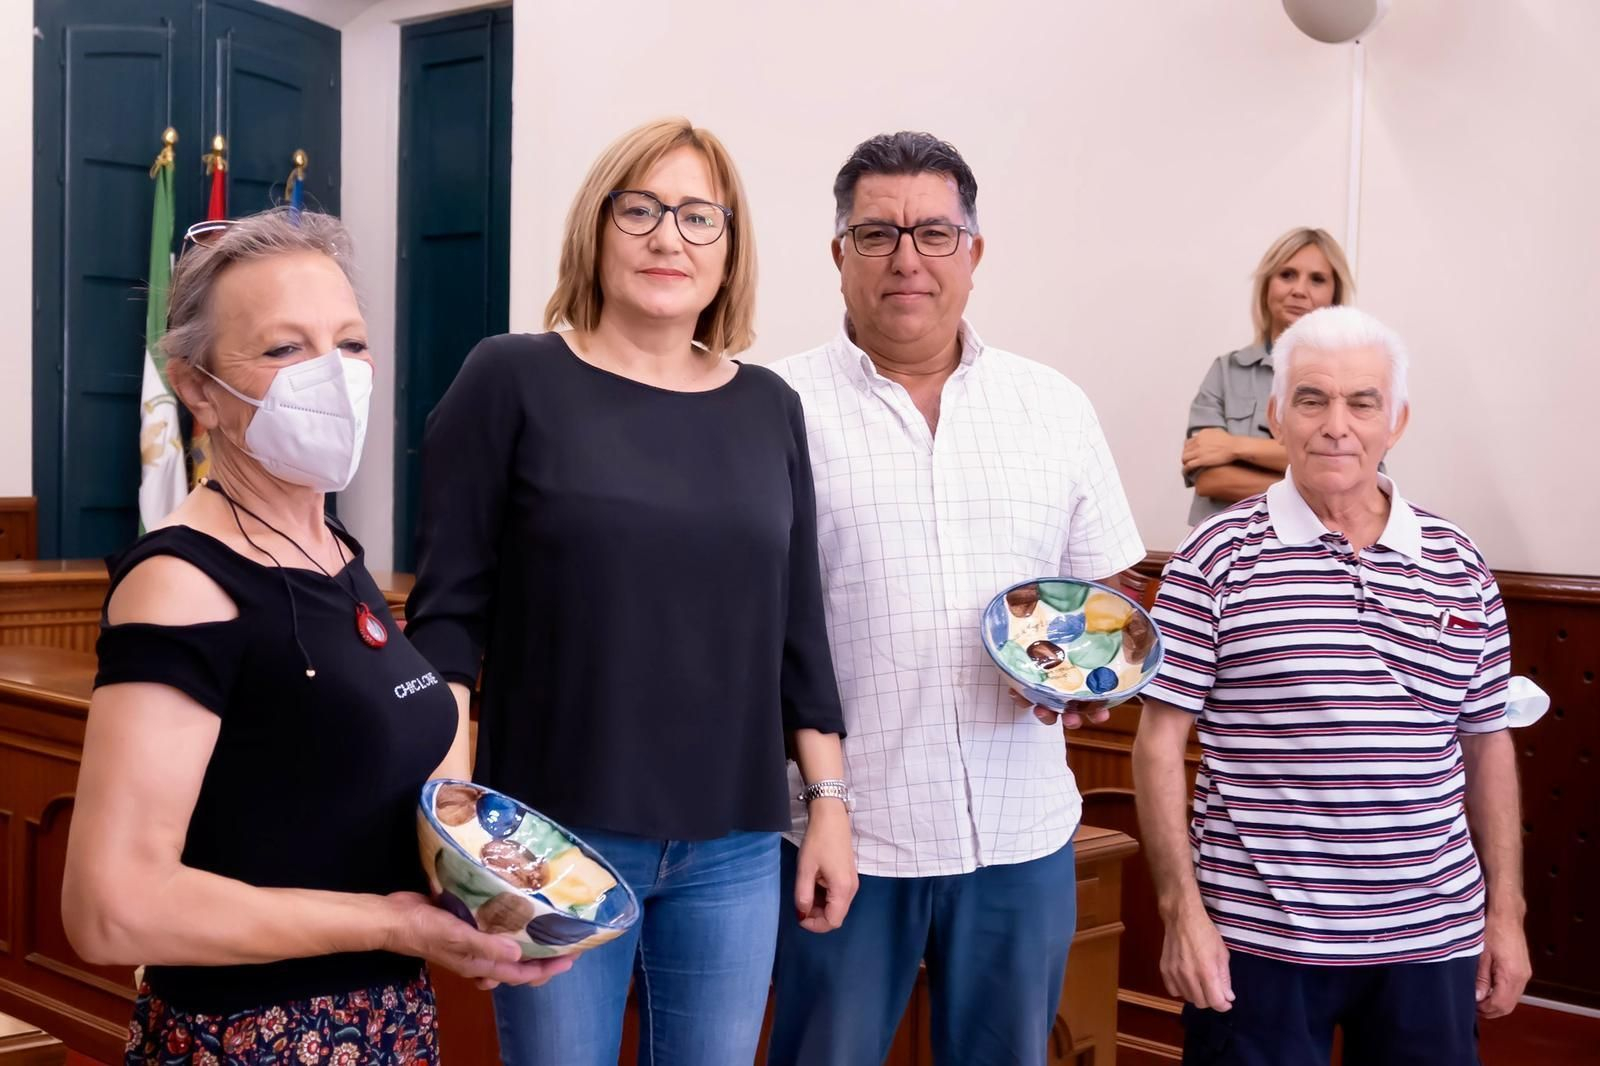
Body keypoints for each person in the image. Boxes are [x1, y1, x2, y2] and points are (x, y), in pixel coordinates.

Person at [61, 209, 570, 1066]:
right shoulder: (182, 581)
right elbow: (111, 907)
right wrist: (388, 921)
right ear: (196, 389)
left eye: (350, 343)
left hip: (385, 1024)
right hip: (253, 1038)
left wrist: (475, 906)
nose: (332, 376)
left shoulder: (334, 553)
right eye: (284, 349)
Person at [402, 118, 854, 1066]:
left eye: (699, 217)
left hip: (731, 842)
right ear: (596, 231)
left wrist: (830, 806)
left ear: (730, 252)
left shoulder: (770, 406)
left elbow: (797, 633)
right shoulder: (512, 377)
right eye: (640, 209)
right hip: (551, 839)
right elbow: (447, 617)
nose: (667, 237)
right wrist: (449, 818)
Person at [766, 131, 1146, 1065]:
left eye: (935, 233)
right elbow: (743, 622)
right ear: (838, 255)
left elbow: (1110, 590)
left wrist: (1098, 672)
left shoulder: (1052, 405)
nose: (907, 258)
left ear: (974, 253)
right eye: (877, 233)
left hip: (1019, 830)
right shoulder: (772, 407)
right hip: (845, 831)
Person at [1134, 306, 1531, 1066]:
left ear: (1398, 420)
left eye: (1362, 401)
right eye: (1312, 399)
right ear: (1278, 415)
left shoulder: (1459, 559)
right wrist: (1181, 912)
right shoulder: (1212, 556)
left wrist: (1505, 911)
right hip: (1257, 939)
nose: (1335, 425)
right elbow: (1158, 744)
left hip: (1432, 935)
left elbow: (1487, 743)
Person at [1183, 227, 1354, 524]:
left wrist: (1233, 447)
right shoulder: (1226, 372)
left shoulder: (1354, 377)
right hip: (1227, 550)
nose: (1299, 290)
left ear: (1334, 295)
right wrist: (1317, 483)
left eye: (1317, 279)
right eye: (1287, 275)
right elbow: (1211, 479)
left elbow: (1357, 473)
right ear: (1267, 286)